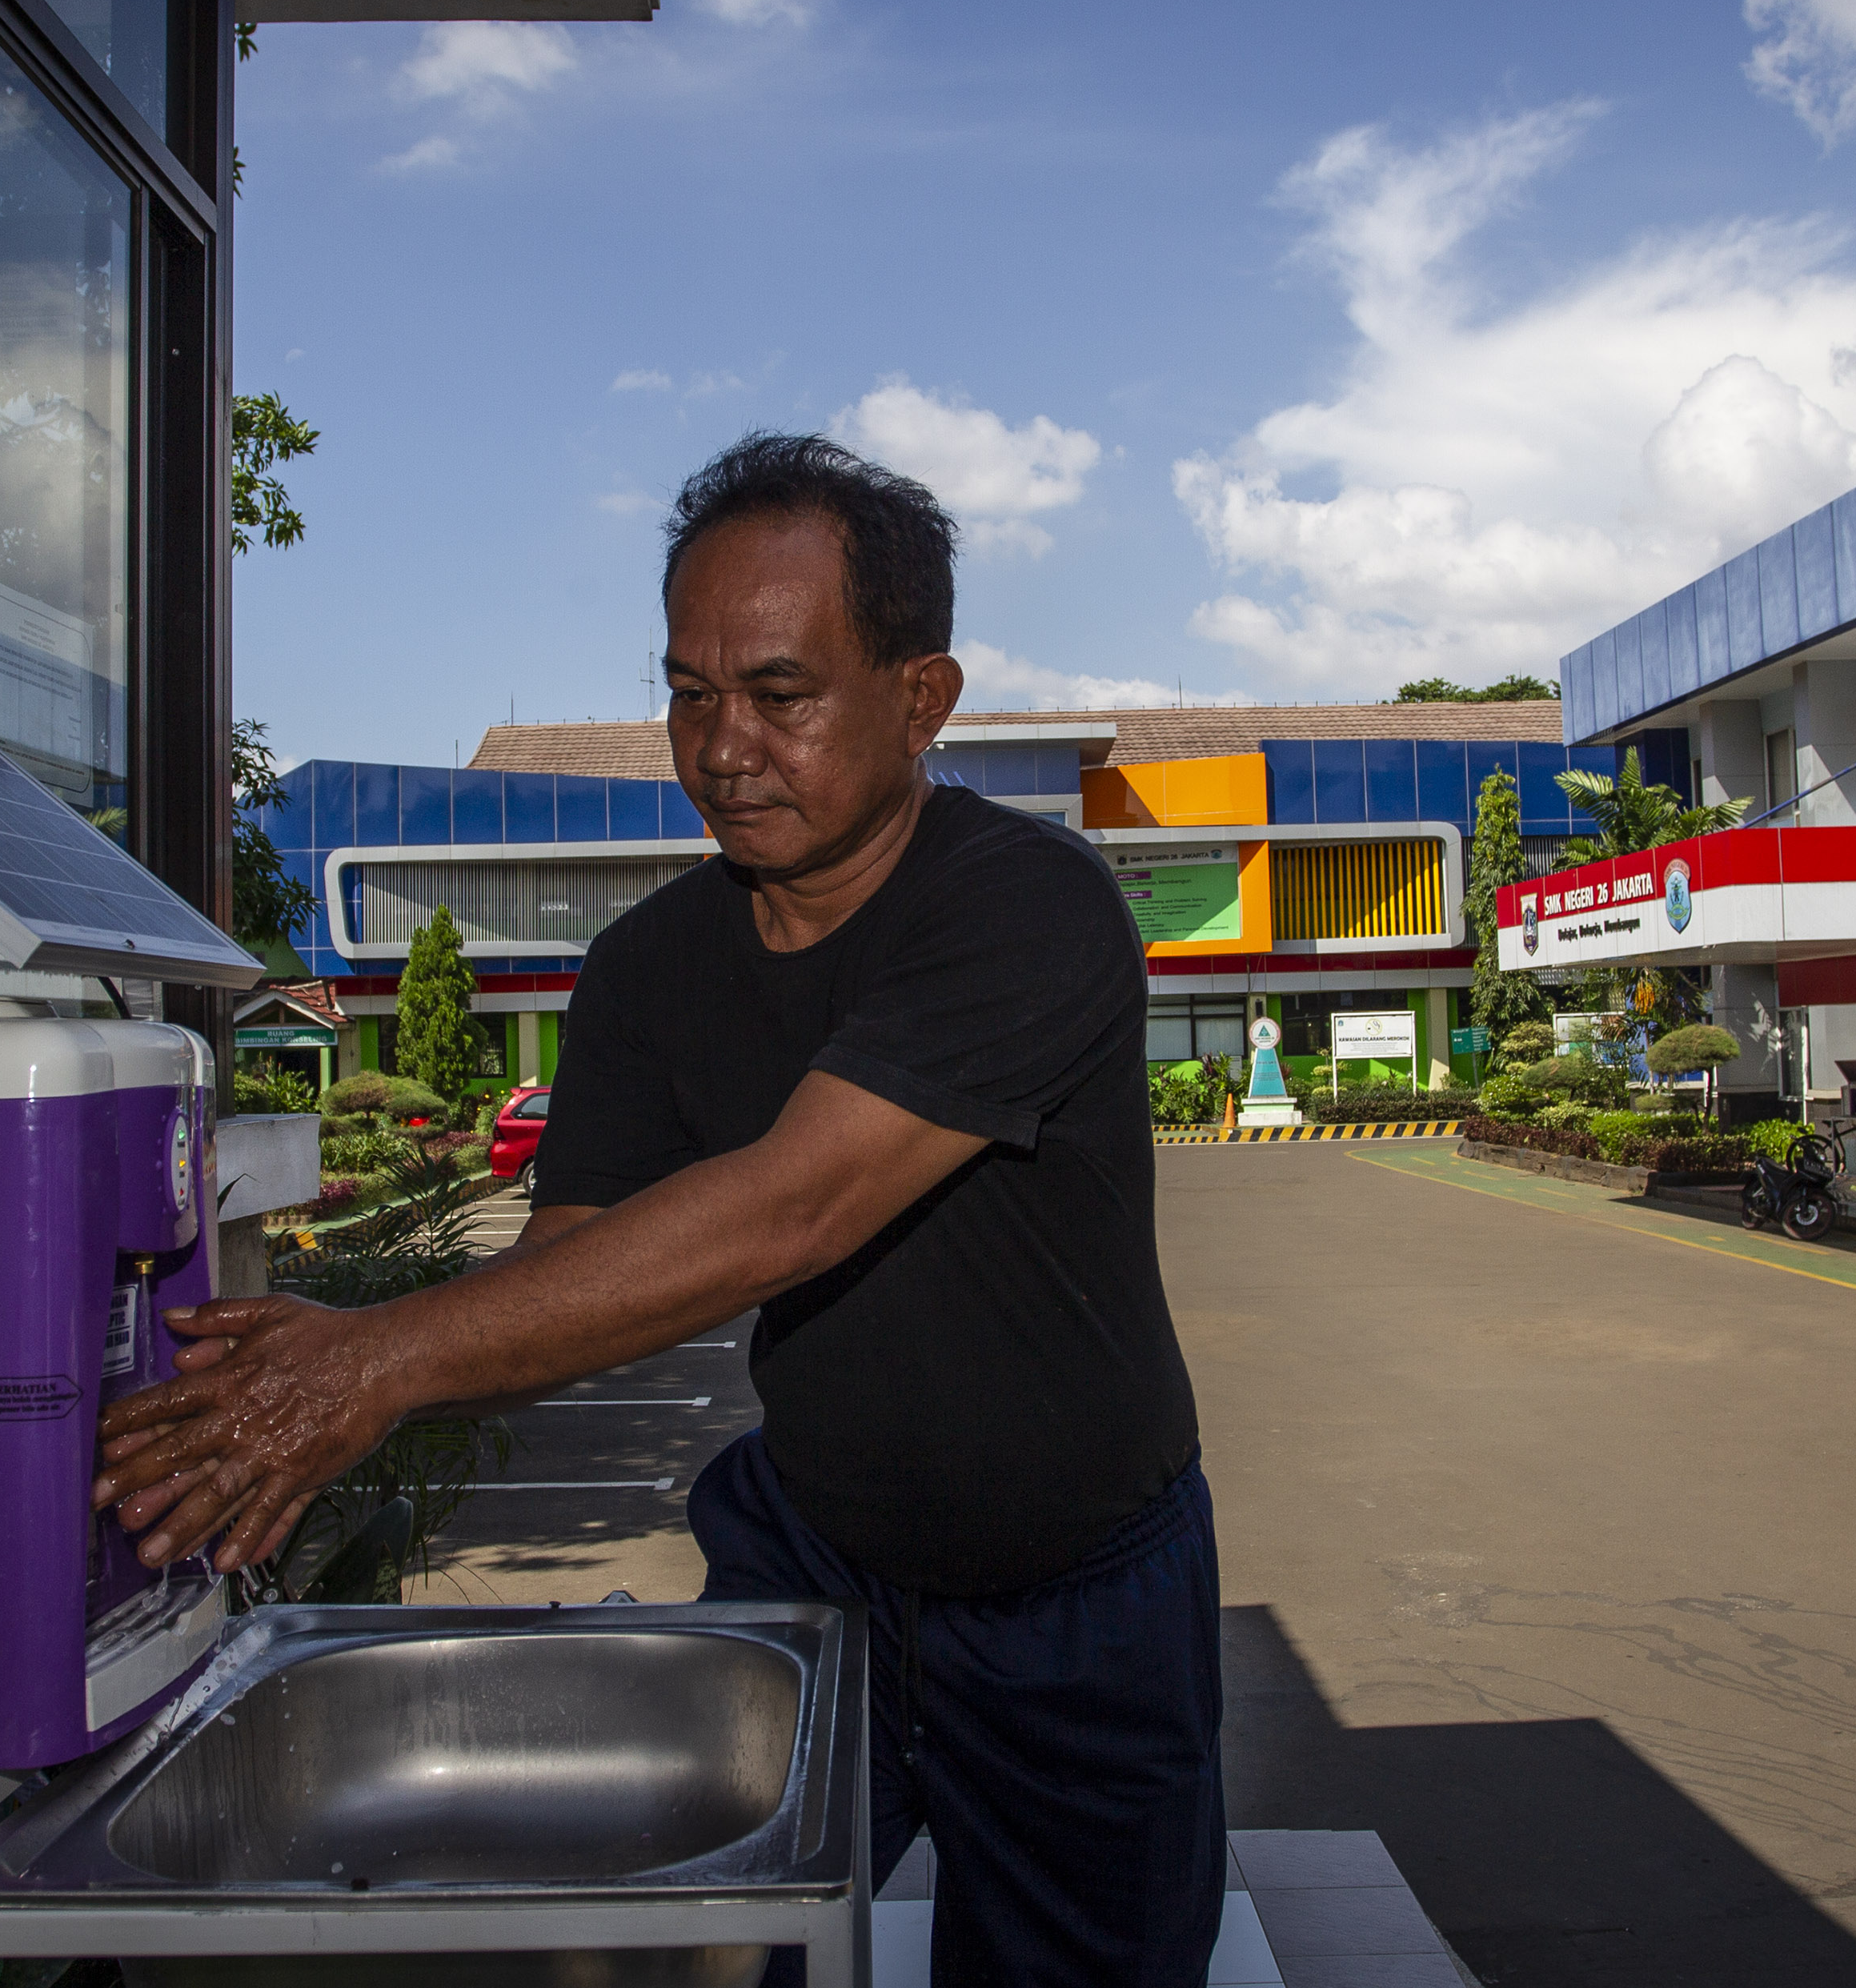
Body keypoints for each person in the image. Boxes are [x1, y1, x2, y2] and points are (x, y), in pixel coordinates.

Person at [94, 433, 1221, 1986]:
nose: (722, 744)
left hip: (1078, 1596)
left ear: (919, 698)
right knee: (712, 1950)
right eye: (688, 693)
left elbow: (793, 1206)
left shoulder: (1026, 904)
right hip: (814, 1552)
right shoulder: (646, 970)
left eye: (779, 691)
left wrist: (362, 1365)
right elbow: (566, 1278)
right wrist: (289, 1377)